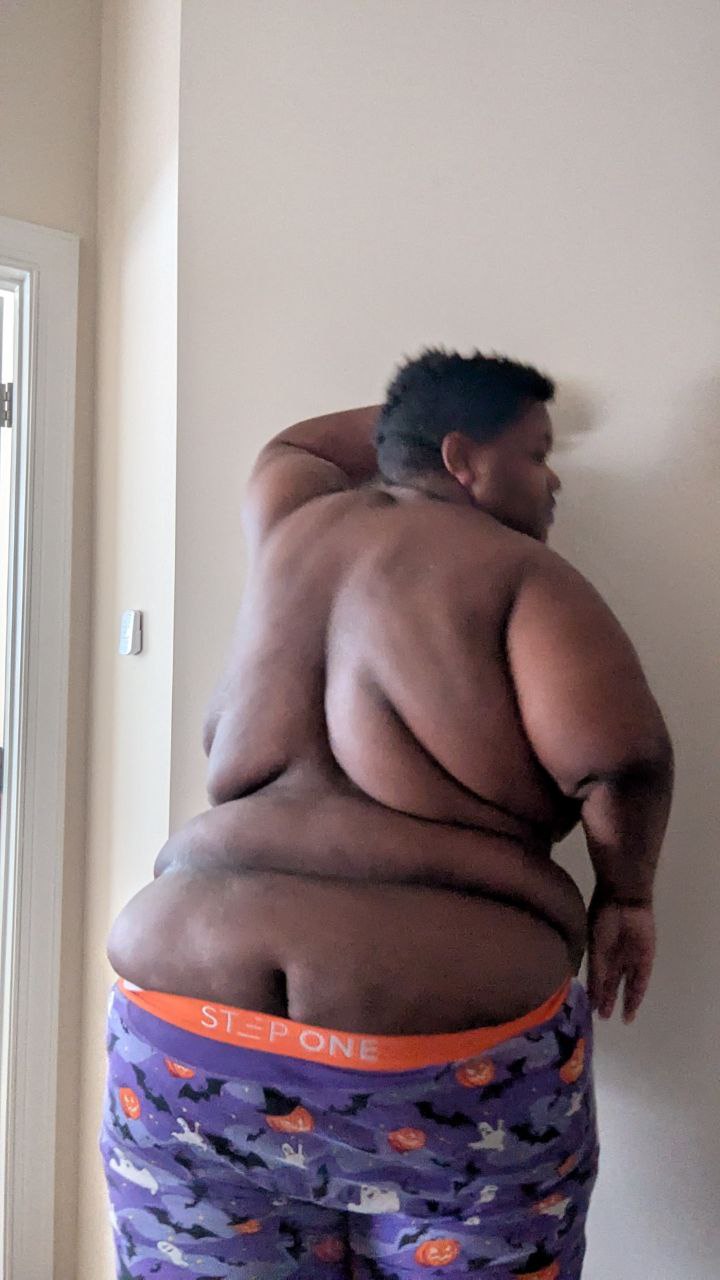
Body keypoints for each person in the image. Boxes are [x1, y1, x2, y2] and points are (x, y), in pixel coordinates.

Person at [102, 349, 673, 1279]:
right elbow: (621, 763)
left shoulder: (290, 527)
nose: (554, 478)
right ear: (463, 459)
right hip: (448, 1070)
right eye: (535, 452)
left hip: (186, 1046)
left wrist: (422, 416)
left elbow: (297, 446)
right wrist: (629, 896)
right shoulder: (525, 574)